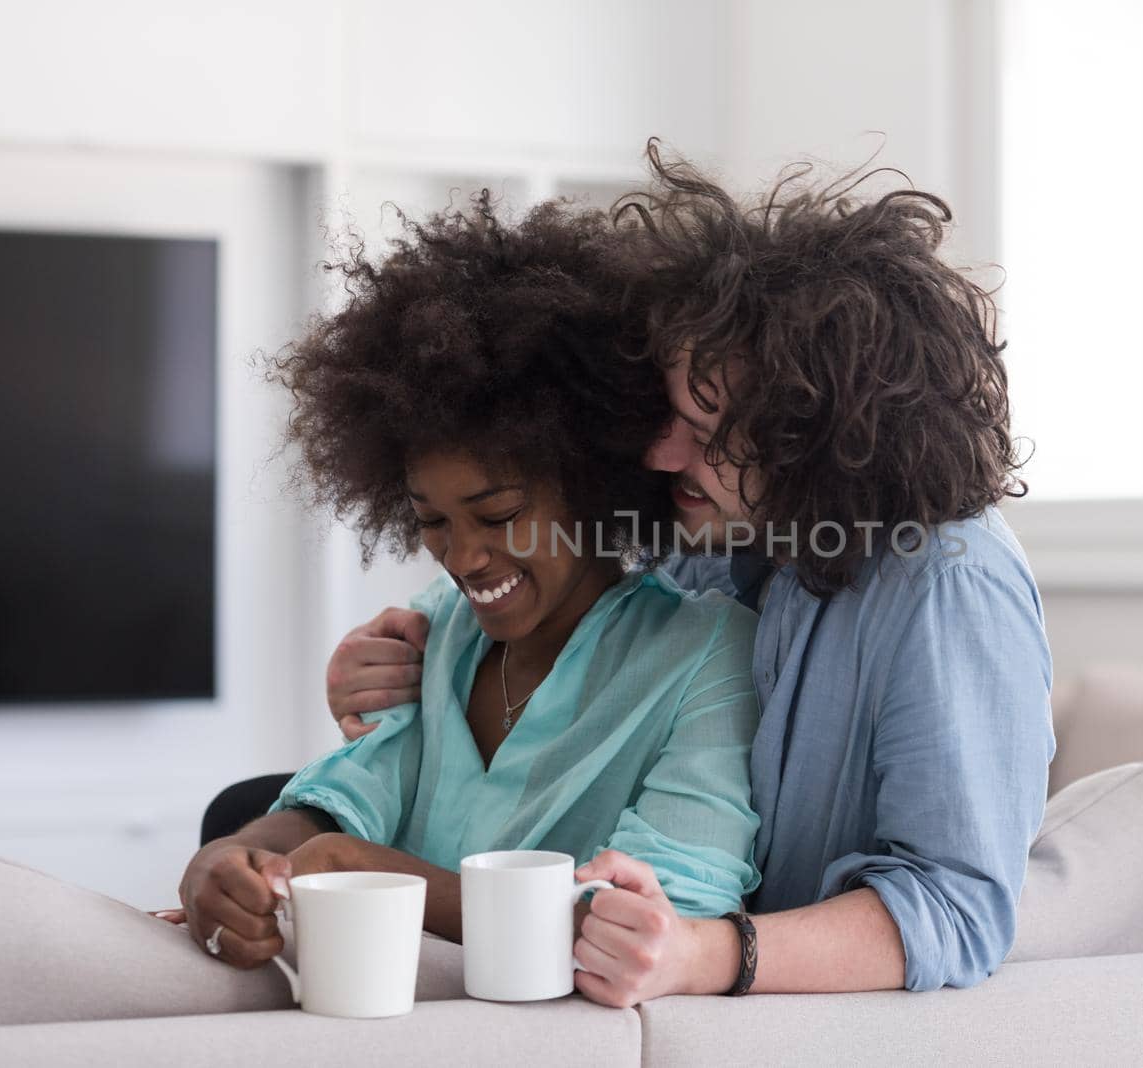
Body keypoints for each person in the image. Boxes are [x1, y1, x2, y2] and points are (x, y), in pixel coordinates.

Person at [256, 142, 1055, 1004]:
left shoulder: (946, 586)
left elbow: (959, 908)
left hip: (754, 982)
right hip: (620, 909)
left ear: (816, 435)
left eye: (707, 435)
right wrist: (393, 661)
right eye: (670, 415)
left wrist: (703, 953)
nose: (663, 451)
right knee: (253, 808)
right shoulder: (728, 533)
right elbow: (555, 598)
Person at [175, 193, 762, 985]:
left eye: (499, 514)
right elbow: (337, 803)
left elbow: (668, 916)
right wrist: (223, 861)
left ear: (591, 483)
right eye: (432, 520)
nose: (465, 557)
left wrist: (374, 872)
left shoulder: (704, 654)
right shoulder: (437, 631)